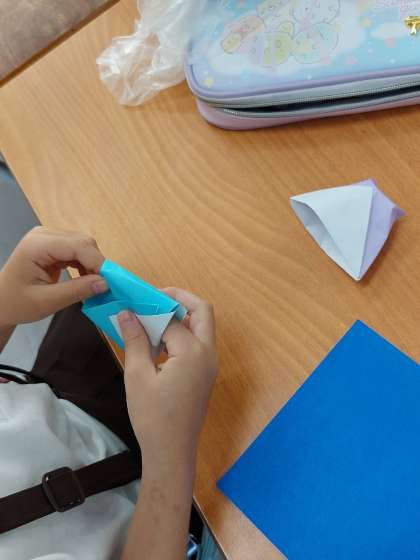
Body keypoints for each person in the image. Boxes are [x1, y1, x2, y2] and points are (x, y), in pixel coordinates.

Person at [0, 226, 218, 560]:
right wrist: (168, 450)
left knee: (170, 254)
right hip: (164, 524)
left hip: (69, 406)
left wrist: (4, 307)